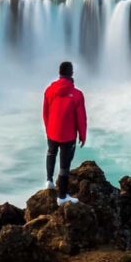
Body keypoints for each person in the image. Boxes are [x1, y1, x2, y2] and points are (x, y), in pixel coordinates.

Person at [42, 61, 87, 205]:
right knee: (64, 164)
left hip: (52, 131)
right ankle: (62, 197)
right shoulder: (77, 94)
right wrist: (83, 135)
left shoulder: (49, 90)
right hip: (68, 135)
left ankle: (49, 181)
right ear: (71, 74)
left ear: (59, 73)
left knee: (51, 153)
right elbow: (81, 118)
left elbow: (45, 112)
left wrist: (48, 128)